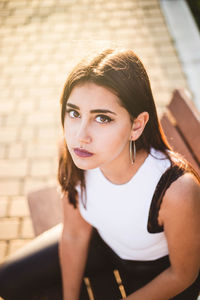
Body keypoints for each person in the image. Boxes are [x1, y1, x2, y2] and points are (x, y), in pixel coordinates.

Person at [58, 48, 200, 300]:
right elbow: (74, 233)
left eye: (102, 118)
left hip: (159, 275)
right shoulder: (75, 156)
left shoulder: (175, 190)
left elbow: (183, 274)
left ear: (136, 125)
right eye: (74, 113)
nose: (80, 135)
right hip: (105, 248)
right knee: (8, 279)